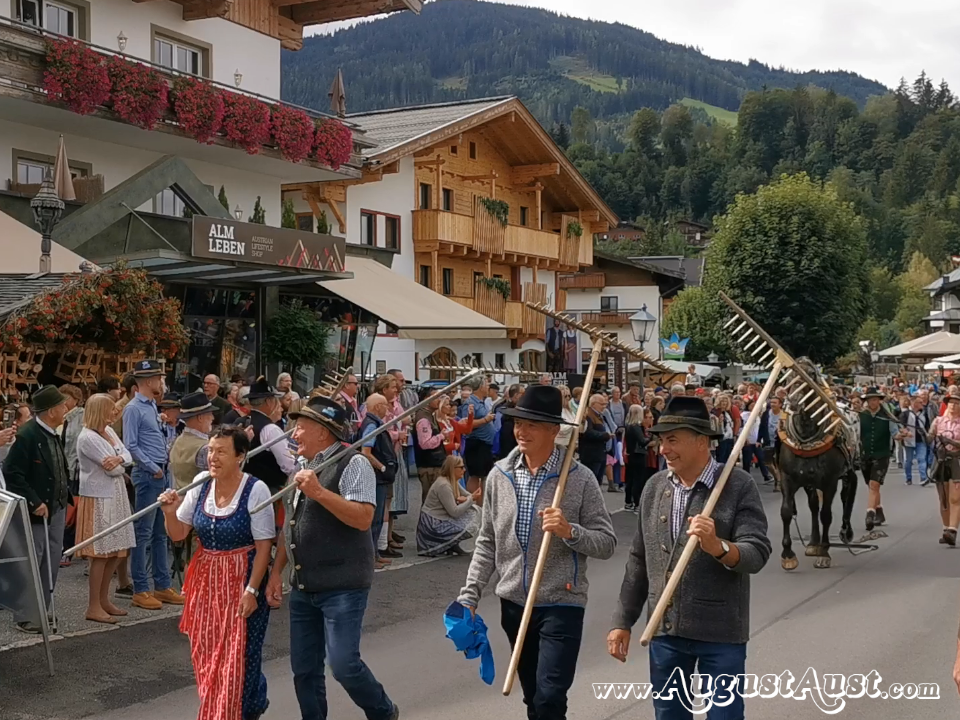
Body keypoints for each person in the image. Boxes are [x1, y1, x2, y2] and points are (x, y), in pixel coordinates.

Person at [457, 385, 616, 720]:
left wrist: (569, 531)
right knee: (533, 697)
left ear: (554, 431)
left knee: (549, 696)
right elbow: (487, 541)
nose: (521, 431)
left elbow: (606, 542)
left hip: (562, 601)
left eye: (531, 424)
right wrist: (470, 596)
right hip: (513, 601)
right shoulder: (500, 475)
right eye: (517, 423)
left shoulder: (579, 478)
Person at [608, 396, 772, 719]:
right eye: (660, 440)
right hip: (665, 631)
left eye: (672, 440)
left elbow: (758, 552)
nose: (663, 449)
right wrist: (622, 621)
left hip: (720, 633)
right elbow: (639, 560)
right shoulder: (654, 487)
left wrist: (718, 547)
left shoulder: (737, 485)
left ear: (702, 443)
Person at [266, 395, 399, 720]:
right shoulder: (302, 467)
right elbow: (292, 526)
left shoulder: (353, 463)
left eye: (300, 427)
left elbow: (364, 518)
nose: (293, 433)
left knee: (343, 664)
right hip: (304, 585)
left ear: (323, 432)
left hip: (343, 584)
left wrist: (319, 493)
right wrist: (275, 573)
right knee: (304, 669)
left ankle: (383, 712)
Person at [159, 426, 275, 720]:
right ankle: (225, 708)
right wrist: (170, 512)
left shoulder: (255, 489)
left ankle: (237, 710)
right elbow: (178, 534)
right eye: (211, 450)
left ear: (240, 456)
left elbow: (264, 548)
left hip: (242, 579)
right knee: (207, 655)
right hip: (206, 581)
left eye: (221, 451)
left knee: (239, 659)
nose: (213, 457)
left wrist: (252, 591)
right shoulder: (200, 483)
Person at [2, 385, 72, 633]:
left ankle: (41, 609)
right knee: (34, 561)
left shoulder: (51, 432)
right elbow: (12, 473)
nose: (66, 409)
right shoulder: (28, 435)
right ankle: (26, 615)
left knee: (50, 561)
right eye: (62, 405)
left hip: (55, 507)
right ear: (52, 410)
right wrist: (34, 501)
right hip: (38, 511)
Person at [123, 359, 184, 610]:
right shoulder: (134, 408)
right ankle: (141, 588)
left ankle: (162, 584)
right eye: (159, 379)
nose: (162, 382)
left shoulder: (151, 406)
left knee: (161, 532)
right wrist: (153, 467)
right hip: (150, 475)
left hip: (161, 472)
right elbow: (131, 444)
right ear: (148, 382)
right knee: (144, 532)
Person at [74, 394, 135, 624]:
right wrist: (121, 462)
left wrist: (119, 459)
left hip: (115, 494)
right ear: (100, 411)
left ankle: (104, 600)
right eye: (110, 409)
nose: (114, 413)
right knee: (99, 553)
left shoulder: (108, 432)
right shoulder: (87, 437)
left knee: (116, 551)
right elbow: (112, 470)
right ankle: (93, 605)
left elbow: (127, 456)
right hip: (98, 497)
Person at [359, 392, 398, 570]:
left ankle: (375, 554)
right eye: (384, 405)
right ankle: (370, 557)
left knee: (377, 517)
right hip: (376, 478)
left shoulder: (375, 423)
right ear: (376, 407)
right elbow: (366, 451)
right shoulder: (372, 425)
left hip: (379, 478)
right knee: (374, 519)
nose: (388, 408)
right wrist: (382, 467)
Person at [416, 454, 481, 556]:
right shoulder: (444, 485)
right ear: (452, 469)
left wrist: (470, 498)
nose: (464, 470)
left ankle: (451, 544)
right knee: (472, 517)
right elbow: (454, 512)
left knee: (475, 511)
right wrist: (471, 499)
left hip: (438, 519)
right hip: (432, 524)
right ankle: (446, 543)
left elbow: (467, 495)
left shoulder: (451, 480)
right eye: (461, 467)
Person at [860, 387, 903, 531]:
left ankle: (869, 514)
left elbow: (895, 433)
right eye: (870, 400)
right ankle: (879, 511)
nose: (872, 402)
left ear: (879, 400)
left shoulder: (887, 417)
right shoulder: (861, 415)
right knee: (871, 485)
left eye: (875, 399)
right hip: (865, 454)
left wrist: (901, 436)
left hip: (882, 454)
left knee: (874, 485)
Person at [929, 390, 960, 545]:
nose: (953, 406)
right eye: (951, 403)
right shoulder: (938, 421)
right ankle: (946, 528)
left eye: (956, 403)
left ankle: (953, 530)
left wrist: (950, 441)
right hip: (941, 461)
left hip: (956, 461)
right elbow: (929, 438)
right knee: (944, 500)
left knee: (955, 498)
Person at [413, 386, 447, 504]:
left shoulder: (429, 415)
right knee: (430, 501)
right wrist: (441, 436)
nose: (439, 400)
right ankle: (425, 522)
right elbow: (425, 443)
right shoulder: (423, 418)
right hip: (429, 466)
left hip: (433, 464)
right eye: (436, 397)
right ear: (427, 399)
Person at [623, 406, 657, 512]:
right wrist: (650, 435)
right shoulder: (635, 427)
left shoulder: (628, 426)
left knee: (631, 479)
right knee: (638, 479)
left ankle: (629, 501)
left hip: (632, 454)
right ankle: (637, 503)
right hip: (638, 454)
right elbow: (642, 441)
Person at [579, 394, 613, 484]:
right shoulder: (588, 415)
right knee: (592, 481)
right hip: (591, 455)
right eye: (601, 404)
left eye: (605, 404)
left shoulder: (598, 416)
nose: (603, 407)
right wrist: (605, 435)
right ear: (593, 404)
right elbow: (588, 432)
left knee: (598, 480)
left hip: (600, 454)